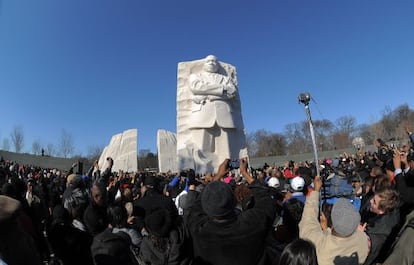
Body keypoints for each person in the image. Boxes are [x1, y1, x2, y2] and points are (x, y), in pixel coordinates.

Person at [183, 157, 279, 265]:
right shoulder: (252, 223)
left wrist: (218, 175)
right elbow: (266, 200)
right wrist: (245, 173)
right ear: (234, 201)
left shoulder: (198, 228)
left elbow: (195, 206)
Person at [187, 55, 247, 174]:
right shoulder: (196, 76)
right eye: (208, 61)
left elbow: (232, 92)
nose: (211, 63)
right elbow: (196, 87)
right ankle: (202, 173)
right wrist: (221, 90)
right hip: (203, 114)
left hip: (224, 114)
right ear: (204, 63)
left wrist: (208, 94)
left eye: (214, 61)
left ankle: (227, 172)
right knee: (201, 146)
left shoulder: (226, 78)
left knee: (226, 148)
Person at [299, 175, 370, 265]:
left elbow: (308, 220)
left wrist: (316, 191)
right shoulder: (363, 241)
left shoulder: (320, 246)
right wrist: (326, 230)